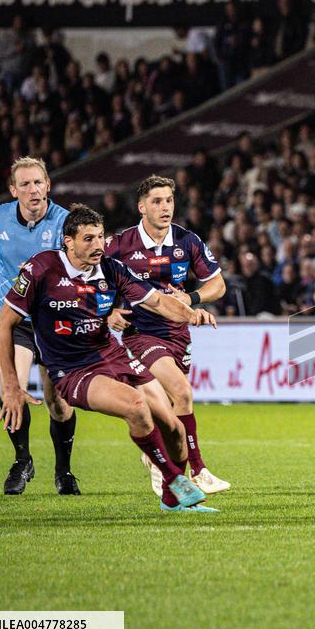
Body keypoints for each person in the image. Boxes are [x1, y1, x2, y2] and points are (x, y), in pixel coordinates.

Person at [0, 206, 218, 512]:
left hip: (113, 357)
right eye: (88, 239)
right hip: (73, 370)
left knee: (174, 428)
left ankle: (171, 500)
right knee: (136, 406)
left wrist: (192, 313)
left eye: (101, 237)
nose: (98, 245)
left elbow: (157, 302)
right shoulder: (42, 268)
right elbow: (3, 324)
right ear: (68, 241)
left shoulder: (111, 270)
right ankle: (175, 480)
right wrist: (10, 385)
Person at [106, 176, 229, 496]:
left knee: (166, 408)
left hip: (178, 331)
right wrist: (109, 312)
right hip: (140, 332)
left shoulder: (187, 241)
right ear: (142, 206)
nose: (165, 208)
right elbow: (90, 280)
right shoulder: (119, 244)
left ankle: (157, 458)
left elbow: (218, 284)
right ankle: (195, 472)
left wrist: (191, 299)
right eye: (157, 201)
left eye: (169, 201)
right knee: (182, 392)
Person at [0, 157, 78, 495]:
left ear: (48, 186)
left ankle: (64, 470)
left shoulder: (64, 222)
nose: (33, 190)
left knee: (58, 403)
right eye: (25, 184)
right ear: (14, 190)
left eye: (38, 183)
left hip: (55, 320)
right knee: (10, 390)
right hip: (12, 318)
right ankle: (22, 460)